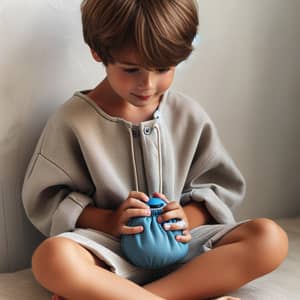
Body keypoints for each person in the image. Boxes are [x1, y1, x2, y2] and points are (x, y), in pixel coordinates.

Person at [22, 0, 288, 299]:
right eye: (131, 69)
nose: (147, 83)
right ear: (99, 52)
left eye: (163, 68)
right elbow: (48, 200)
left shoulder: (188, 114)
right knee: (52, 258)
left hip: (186, 247)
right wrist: (110, 221)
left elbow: (217, 186)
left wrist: (187, 217)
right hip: (112, 251)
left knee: (270, 238)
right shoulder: (72, 121)